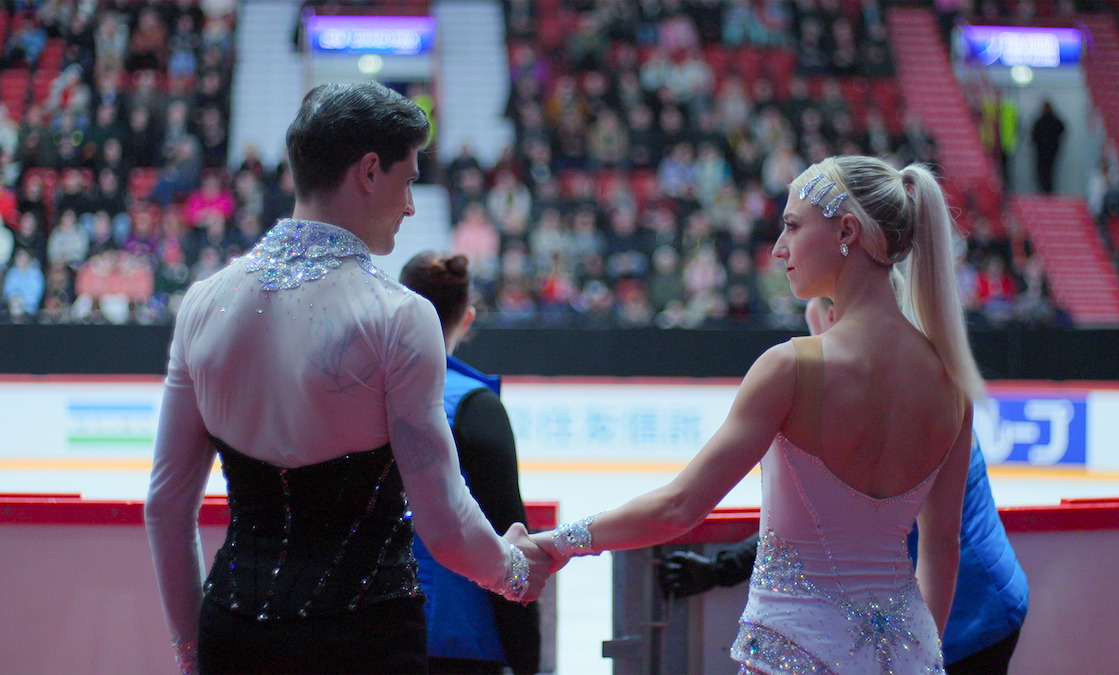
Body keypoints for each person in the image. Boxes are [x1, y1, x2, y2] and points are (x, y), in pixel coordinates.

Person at [145, 81, 548, 675]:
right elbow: (443, 522)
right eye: (408, 179)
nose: (411, 205)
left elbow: (166, 507)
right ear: (369, 171)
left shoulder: (205, 302)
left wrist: (190, 647)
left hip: (234, 630)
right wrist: (514, 571)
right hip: (365, 640)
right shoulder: (399, 316)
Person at [533, 156, 984, 673]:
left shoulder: (791, 368)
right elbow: (943, 547)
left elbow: (680, 507)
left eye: (792, 226)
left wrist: (558, 542)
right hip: (912, 656)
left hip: (794, 654)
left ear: (847, 231)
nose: (777, 248)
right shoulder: (951, 385)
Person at [659, 296, 1028, 674]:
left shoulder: (888, 399)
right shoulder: (922, 374)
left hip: (969, 617)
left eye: (816, 332)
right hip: (987, 599)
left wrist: (721, 569)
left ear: (839, 317)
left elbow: (826, 529)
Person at [400, 251, 542, 675]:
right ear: (467, 316)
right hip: (459, 638)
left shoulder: (357, 391)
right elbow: (508, 533)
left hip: (367, 632)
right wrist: (526, 657)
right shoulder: (473, 405)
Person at [1031, 100, 1065, 194]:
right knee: (1050, 170)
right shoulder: (1055, 119)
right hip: (1052, 149)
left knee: (1042, 171)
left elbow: (1034, 135)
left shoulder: (1040, 120)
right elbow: (1063, 129)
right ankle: (1049, 190)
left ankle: (1045, 190)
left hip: (1042, 150)